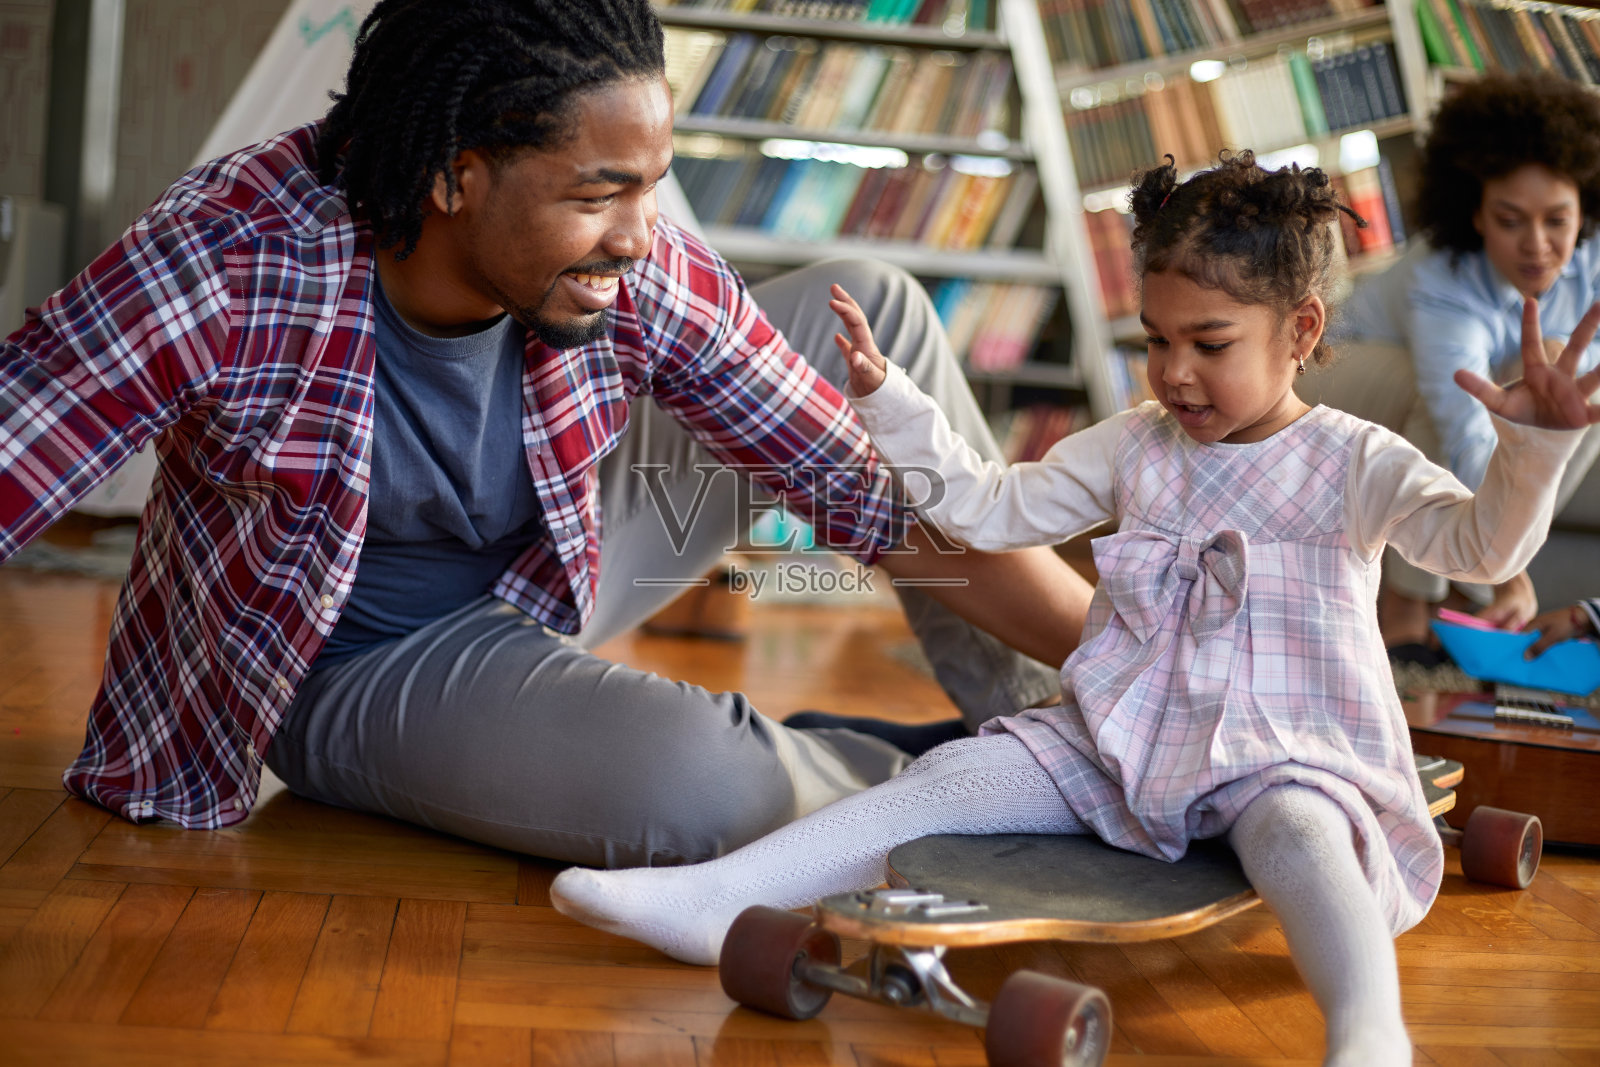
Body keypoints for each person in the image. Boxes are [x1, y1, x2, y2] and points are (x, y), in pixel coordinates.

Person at [548, 152, 1600, 1063]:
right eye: (1156, 339)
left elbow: (1481, 550)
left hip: (1285, 747)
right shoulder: (1137, 441)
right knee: (951, 774)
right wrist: (889, 400)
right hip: (1123, 735)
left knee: (1302, 834)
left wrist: (1536, 449)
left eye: (1210, 343)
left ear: (1301, 329)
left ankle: (1369, 1028)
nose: (1174, 372)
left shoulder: (1353, 459)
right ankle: (717, 897)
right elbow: (985, 508)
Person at [0, 0, 1093, 866]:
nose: (641, 236)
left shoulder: (626, 261)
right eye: (600, 195)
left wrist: (1149, 672)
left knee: (872, 314)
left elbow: (877, 498)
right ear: (451, 175)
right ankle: (993, 786)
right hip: (358, 658)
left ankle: (1078, 737)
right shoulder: (232, 264)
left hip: (556, 560)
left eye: (652, 186)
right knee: (707, 787)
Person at [1305, 71, 1600, 655]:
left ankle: (1460, 586)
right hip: (1329, 368)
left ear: (1583, 208)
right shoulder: (1442, 277)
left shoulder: (1594, 260)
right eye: (1510, 220)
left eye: (1556, 220)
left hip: (1427, 384)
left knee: (1572, 397)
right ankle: (1405, 611)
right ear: (1476, 214)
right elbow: (1463, 427)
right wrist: (1504, 568)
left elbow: (1547, 421)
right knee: (1447, 394)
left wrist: (1508, 545)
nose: (1537, 244)